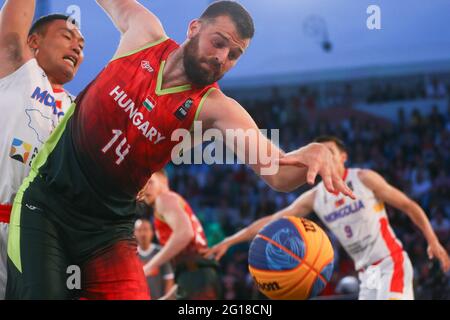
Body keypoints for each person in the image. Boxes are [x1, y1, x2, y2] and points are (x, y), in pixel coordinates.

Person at [6, 1, 353, 299]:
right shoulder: (144, 33)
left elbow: (276, 172)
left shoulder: (217, 108)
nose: (221, 58)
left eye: (234, 55)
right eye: (218, 43)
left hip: (108, 229)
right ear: (194, 28)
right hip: (47, 203)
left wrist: (314, 151)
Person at [204, 136, 450, 300]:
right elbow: (271, 221)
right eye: (319, 153)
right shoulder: (315, 196)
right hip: (366, 272)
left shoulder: (364, 178)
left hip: (390, 262)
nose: (324, 157)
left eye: (330, 152)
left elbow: (408, 205)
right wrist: (230, 241)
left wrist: (432, 240)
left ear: (343, 157)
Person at [0, 0, 84, 299]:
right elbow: (16, 14)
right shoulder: (17, 71)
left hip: (44, 239)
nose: (77, 48)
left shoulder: (80, 110)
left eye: (82, 45)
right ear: (33, 41)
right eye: (67, 36)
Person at [137, 171, 221, 300]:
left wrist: (149, 266)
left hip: (198, 276)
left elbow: (185, 233)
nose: (145, 188)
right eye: (142, 184)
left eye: (150, 182)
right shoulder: (169, 204)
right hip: (198, 276)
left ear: (164, 181)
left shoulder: (164, 199)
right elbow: (187, 271)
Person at [134, 218, 175, 300]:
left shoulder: (162, 253)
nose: (143, 234)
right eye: (139, 230)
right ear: (134, 233)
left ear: (152, 232)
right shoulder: (131, 255)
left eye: (145, 230)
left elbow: (169, 279)